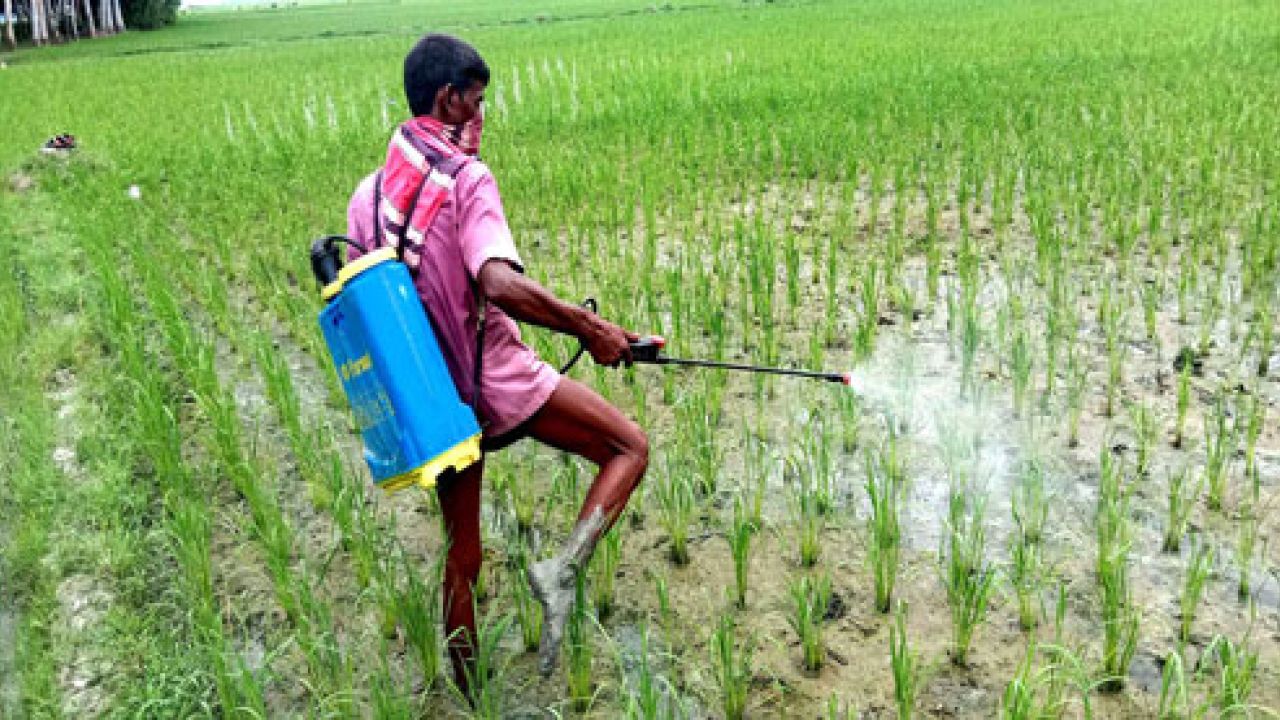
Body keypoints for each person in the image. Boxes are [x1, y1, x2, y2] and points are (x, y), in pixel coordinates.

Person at [345, 33, 649, 692]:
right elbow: (499, 285)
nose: (482, 119)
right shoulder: (465, 180)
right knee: (629, 446)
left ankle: (469, 692)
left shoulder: (367, 196)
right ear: (448, 100)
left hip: (428, 402)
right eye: (477, 103)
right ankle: (560, 572)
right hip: (492, 383)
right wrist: (591, 328)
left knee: (462, 555)